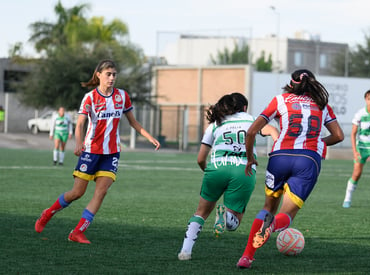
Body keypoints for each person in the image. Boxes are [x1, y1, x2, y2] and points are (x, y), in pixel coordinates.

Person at [35, 59, 161, 244]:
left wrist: (150, 138)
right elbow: (79, 124)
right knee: (77, 193)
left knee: (101, 192)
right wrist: (78, 143)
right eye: (108, 74)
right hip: (91, 151)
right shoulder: (90, 98)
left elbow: (133, 122)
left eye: (114, 74)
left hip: (111, 153)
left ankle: (77, 232)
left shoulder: (122, 96)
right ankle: (48, 213)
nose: (112, 78)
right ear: (99, 75)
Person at [236, 69, 344, 269]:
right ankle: (271, 228)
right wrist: (319, 143)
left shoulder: (280, 100)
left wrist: (250, 158)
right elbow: (338, 136)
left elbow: (251, 132)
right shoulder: (322, 105)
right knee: (285, 217)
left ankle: (247, 257)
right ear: (313, 84)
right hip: (307, 160)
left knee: (268, 208)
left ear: (291, 83)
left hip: (279, 158)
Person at [178, 92, 279, 261]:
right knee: (234, 222)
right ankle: (226, 216)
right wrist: (277, 148)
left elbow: (200, 158)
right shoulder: (251, 120)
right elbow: (272, 130)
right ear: (244, 107)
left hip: (217, 168)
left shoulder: (215, 125)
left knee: (201, 212)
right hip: (243, 170)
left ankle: (185, 251)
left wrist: (209, 171)